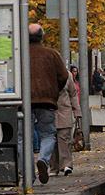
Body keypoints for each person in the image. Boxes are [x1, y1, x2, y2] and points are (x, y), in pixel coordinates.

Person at [21, 23, 69, 185]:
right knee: (48, 134)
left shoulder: (20, 54)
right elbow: (63, 76)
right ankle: (43, 159)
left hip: (24, 102)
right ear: (42, 37)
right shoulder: (52, 54)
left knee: (23, 138)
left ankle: (27, 174)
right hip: (46, 101)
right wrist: (53, 92)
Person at [52, 65, 81, 176]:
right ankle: (53, 167)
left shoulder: (67, 75)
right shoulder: (46, 75)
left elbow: (73, 94)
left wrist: (77, 111)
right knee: (51, 140)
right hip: (49, 111)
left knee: (64, 138)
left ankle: (66, 165)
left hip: (64, 110)